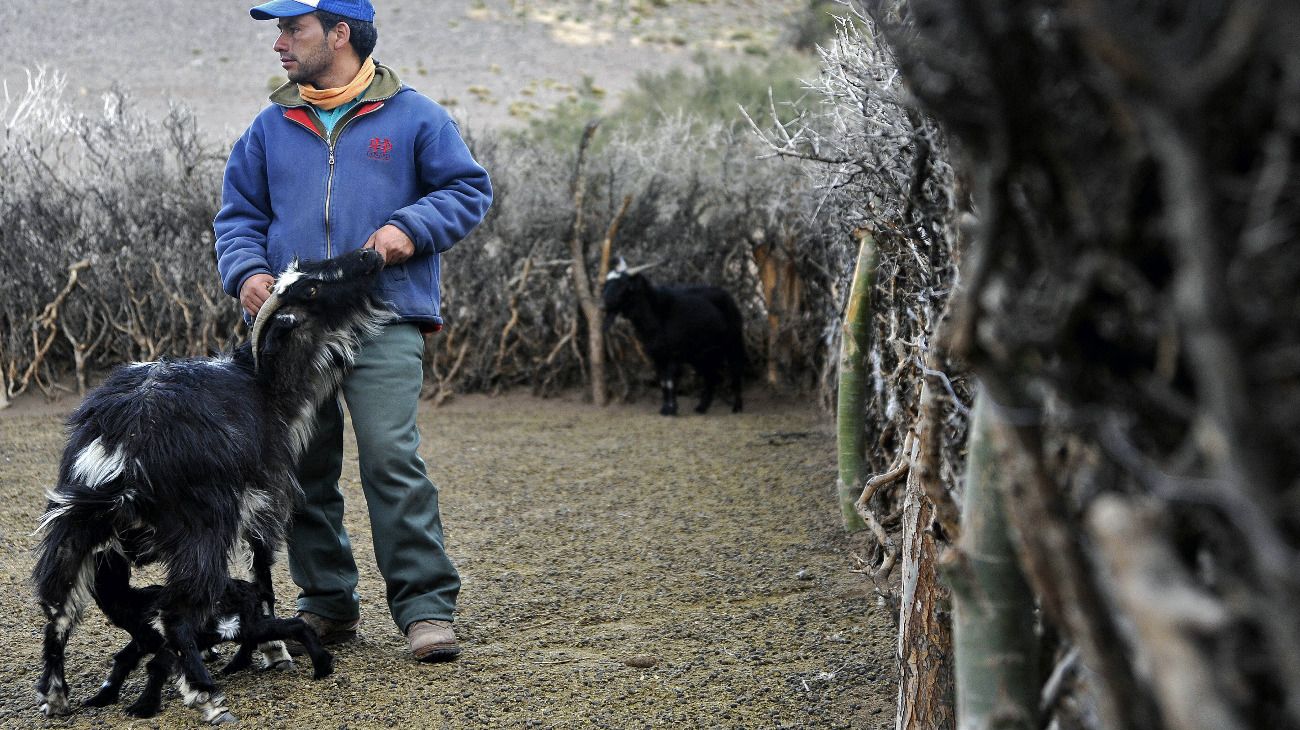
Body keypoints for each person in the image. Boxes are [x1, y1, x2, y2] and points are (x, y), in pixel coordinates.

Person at [214, 0, 492, 662]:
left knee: (391, 456)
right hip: (293, 324)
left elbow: (466, 190)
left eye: (293, 28)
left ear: (339, 33)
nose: (280, 43)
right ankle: (328, 603)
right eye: (279, 30)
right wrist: (247, 273)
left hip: (384, 315)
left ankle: (424, 606)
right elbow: (238, 214)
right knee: (302, 464)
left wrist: (409, 229)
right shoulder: (270, 125)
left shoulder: (416, 115)